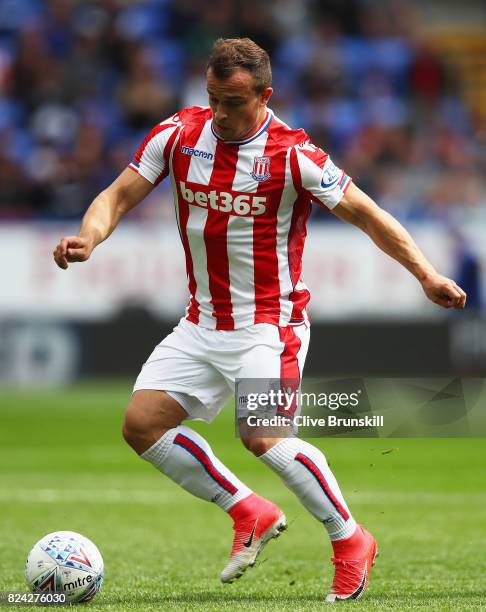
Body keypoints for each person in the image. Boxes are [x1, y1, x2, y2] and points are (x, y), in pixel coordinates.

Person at [53, 38, 466, 601]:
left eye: (234, 102)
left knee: (263, 434)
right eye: (213, 99)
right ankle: (249, 510)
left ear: (265, 96)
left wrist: (425, 274)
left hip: (269, 326)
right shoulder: (178, 134)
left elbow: (369, 216)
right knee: (141, 425)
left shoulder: (293, 154)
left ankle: (351, 540)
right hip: (201, 322)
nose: (220, 113)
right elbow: (119, 194)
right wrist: (89, 237)